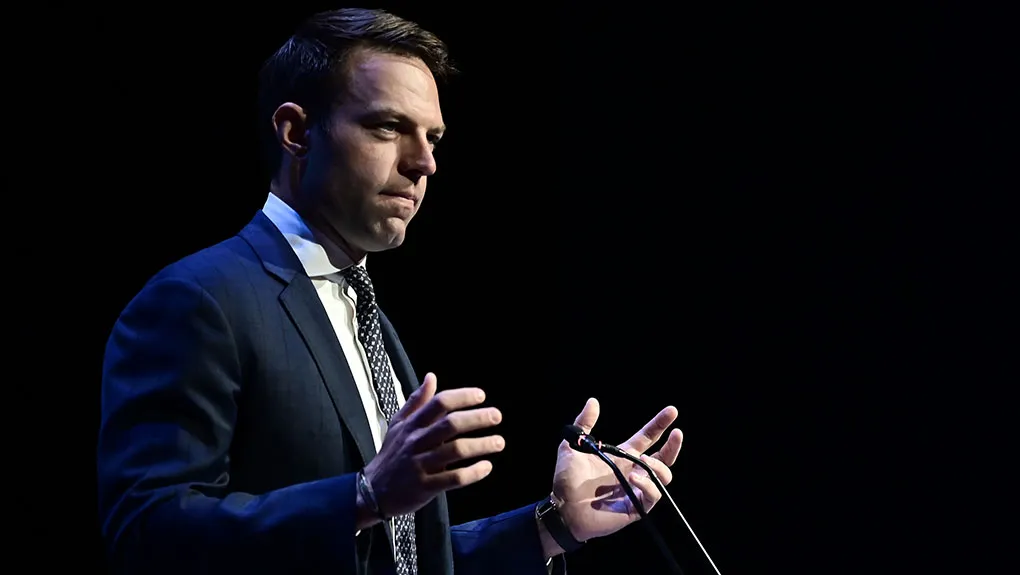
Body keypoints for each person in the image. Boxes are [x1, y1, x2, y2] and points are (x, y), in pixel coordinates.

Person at [96, 7, 684, 575]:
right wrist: (364, 496)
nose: (425, 163)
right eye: (388, 127)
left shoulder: (360, 310)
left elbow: (395, 558)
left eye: (433, 138)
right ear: (296, 132)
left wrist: (555, 526)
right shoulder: (201, 301)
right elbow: (146, 535)